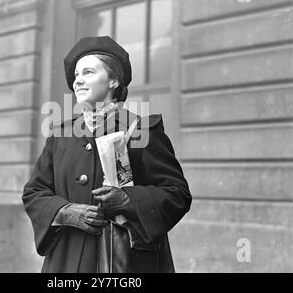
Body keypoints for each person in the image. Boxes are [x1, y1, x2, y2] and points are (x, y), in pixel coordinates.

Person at [22, 36, 191, 273]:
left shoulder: (142, 130)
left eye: (88, 72)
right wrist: (64, 212)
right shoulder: (60, 135)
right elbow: (34, 192)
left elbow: (177, 195)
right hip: (67, 262)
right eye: (76, 75)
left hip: (126, 263)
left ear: (113, 80)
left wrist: (127, 200)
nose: (78, 80)